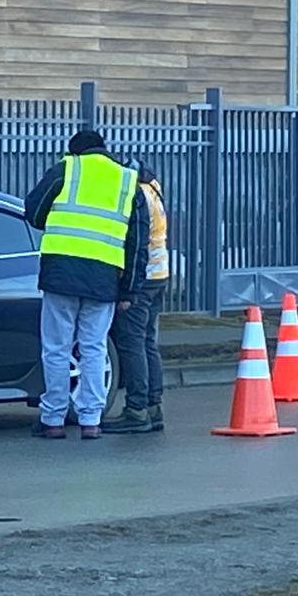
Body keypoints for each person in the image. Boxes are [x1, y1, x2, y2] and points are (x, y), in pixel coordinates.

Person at [24, 130, 147, 440]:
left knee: (56, 348)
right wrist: (130, 289)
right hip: (104, 280)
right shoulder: (127, 180)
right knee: (93, 348)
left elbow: (34, 211)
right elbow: (137, 242)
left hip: (61, 274)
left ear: (75, 150)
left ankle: (53, 419)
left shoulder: (67, 168)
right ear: (104, 149)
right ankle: (90, 420)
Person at [104, 162, 169, 434]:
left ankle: (136, 410)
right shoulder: (153, 189)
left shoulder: (136, 195)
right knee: (147, 342)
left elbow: (136, 242)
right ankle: (153, 407)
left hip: (142, 280)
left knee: (132, 344)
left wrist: (128, 288)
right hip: (159, 274)